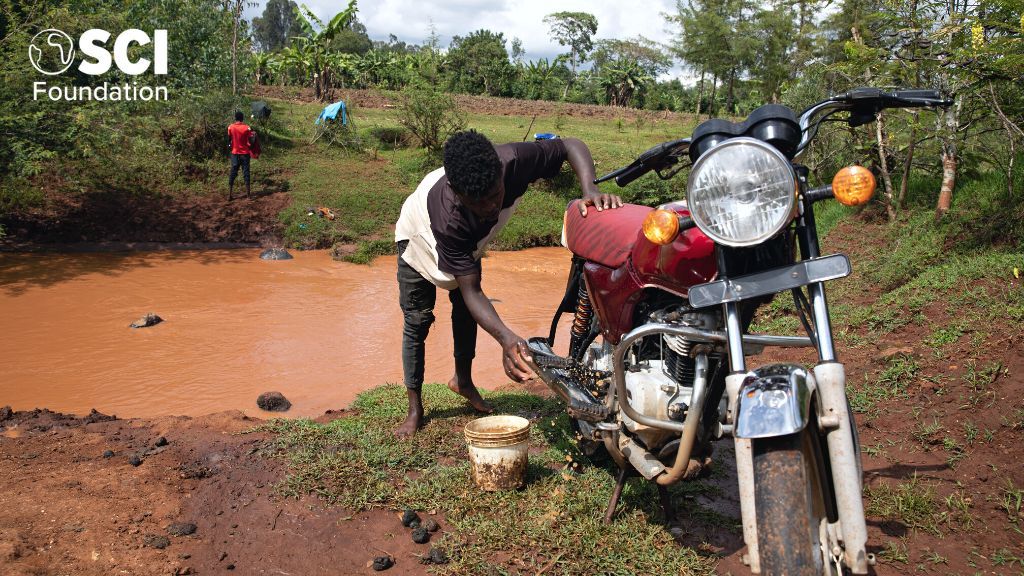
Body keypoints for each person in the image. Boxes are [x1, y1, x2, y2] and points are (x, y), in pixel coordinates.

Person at [393, 130, 623, 437]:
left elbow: (570, 145)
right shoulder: (449, 219)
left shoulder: (511, 161)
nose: (490, 207)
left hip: (468, 245)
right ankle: (415, 407)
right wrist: (505, 338)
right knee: (418, 320)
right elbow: (472, 289)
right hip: (417, 239)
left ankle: (462, 381)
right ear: (459, 194)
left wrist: (589, 189)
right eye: (480, 202)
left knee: (464, 310)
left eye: (495, 194)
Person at [227, 111, 254, 200]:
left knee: (233, 172)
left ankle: (230, 195)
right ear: (242, 118)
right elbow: (251, 140)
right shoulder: (247, 128)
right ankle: (248, 196)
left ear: (235, 118)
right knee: (246, 173)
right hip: (245, 154)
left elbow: (229, 140)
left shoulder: (230, 127)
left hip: (235, 153)